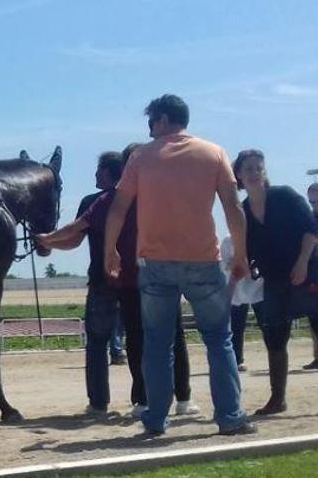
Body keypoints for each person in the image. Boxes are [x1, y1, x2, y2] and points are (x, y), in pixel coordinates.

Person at [105, 94, 254, 436]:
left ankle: (156, 418)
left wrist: (110, 249)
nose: (150, 129)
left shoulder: (141, 156)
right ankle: (230, 417)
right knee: (219, 339)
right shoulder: (214, 153)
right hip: (203, 259)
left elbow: (119, 207)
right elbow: (233, 207)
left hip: (155, 262)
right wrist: (241, 255)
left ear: (162, 120)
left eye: (151, 122)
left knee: (157, 343)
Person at [37, 144, 198, 417]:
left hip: (114, 280)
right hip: (155, 277)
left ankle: (113, 402)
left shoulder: (100, 201)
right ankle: (180, 398)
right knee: (170, 336)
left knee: (118, 341)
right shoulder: (161, 196)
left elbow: (74, 234)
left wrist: (47, 239)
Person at [233, 150, 318, 415]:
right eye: (249, 169)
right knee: (274, 338)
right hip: (275, 281)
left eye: (259, 167)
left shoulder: (285, 196)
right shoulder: (243, 211)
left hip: (310, 273)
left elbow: (311, 229)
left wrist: (303, 260)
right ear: (239, 175)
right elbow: (244, 252)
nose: (255, 172)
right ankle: (277, 399)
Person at [220, 235, 264, 373]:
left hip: (258, 287)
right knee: (236, 327)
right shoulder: (228, 241)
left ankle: (274, 354)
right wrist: (238, 261)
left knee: (267, 325)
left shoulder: (259, 237)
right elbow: (224, 265)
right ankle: (237, 360)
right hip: (236, 289)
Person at [304, 182, 318, 371]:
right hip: (313, 273)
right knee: (314, 318)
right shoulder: (309, 219)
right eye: (311, 200)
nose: (313, 203)